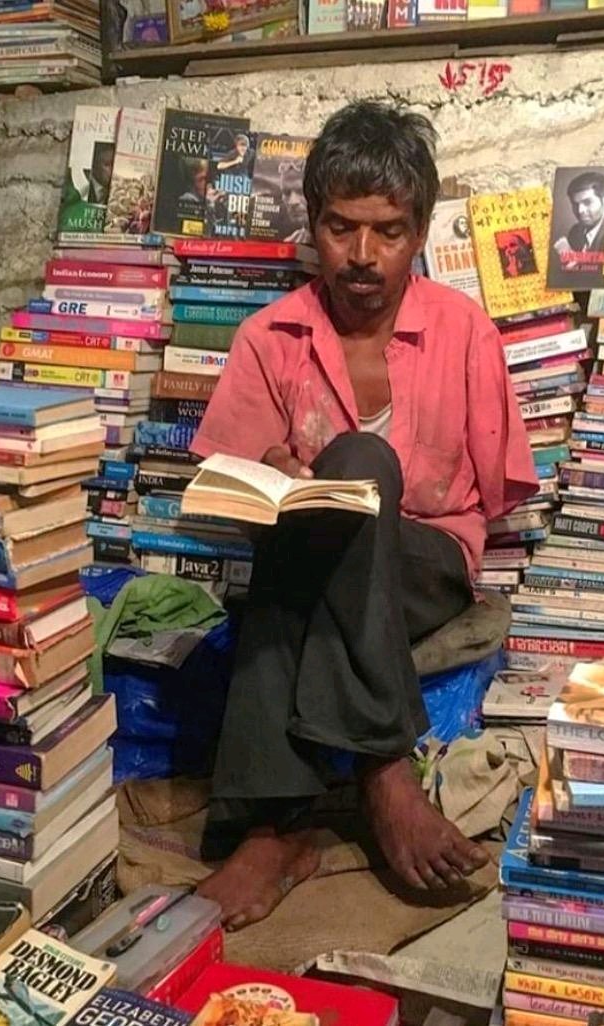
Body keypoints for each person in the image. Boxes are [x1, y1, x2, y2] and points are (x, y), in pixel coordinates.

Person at [190, 100, 537, 930]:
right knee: (299, 556)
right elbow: (228, 484)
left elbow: (497, 494)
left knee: (360, 465)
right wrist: (275, 475)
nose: (362, 256)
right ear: (313, 226)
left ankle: (285, 822)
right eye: (341, 229)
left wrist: (355, 493)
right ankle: (371, 780)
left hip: (425, 566)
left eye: (386, 231)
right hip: (304, 557)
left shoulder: (462, 330)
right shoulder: (269, 335)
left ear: (418, 232)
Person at [551, 170, 604, 275]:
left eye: (587, 202)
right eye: (575, 204)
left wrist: (574, 259)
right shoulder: (575, 232)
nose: (580, 210)